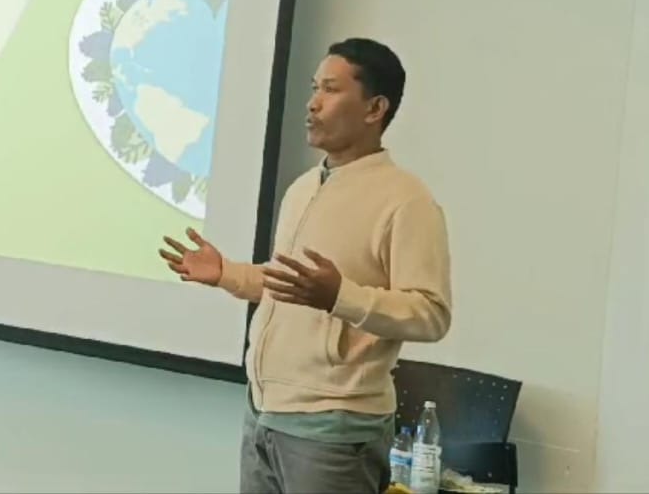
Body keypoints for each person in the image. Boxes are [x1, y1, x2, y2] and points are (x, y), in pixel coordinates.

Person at [159, 38, 452, 494]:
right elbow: (291, 284)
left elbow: (431, 314)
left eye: (331, 90)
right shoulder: (302, 188)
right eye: (315, 88)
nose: (313, 104)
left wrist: (341, 297)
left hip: (334, 430)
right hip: (264, 413)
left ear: (375, 108)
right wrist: (227, 274)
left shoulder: (406, 200)